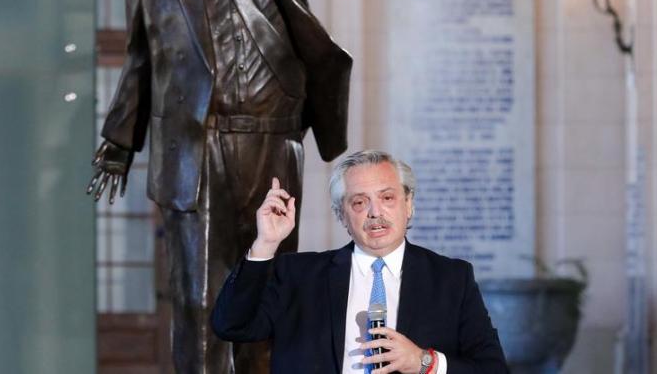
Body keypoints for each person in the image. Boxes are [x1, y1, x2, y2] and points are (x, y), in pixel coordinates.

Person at [86, 0, 407, 374]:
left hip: (272, 141)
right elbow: (142, 57)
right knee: (199, 295)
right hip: (194, 145)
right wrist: (118, 140)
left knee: (269, 288)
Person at [212, 150, 509, 374]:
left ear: (409, 205)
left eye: (387, 198)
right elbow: (231, 325)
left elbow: (493, 369)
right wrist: (265, 243)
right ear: (342, 215)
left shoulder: (451, 279)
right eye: (359, 202)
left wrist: (424, 361)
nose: (374, 212)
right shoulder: (297, 275)